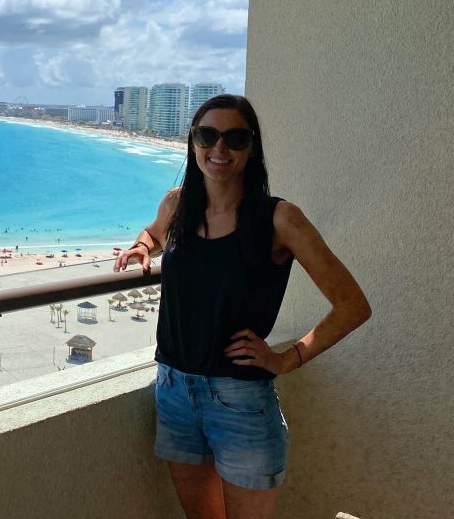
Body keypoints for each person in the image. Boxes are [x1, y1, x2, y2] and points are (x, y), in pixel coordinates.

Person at [115, 94, 370, 519]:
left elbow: (352, 305)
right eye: (207, 135)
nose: (219, 149)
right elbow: (156, 234)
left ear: (252, 148)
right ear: (193, 142)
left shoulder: (279, 219)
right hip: (174, 387)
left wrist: (291, 358)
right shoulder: (177, 205)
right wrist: (142, 246)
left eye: (234, 138)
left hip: (240, 399)